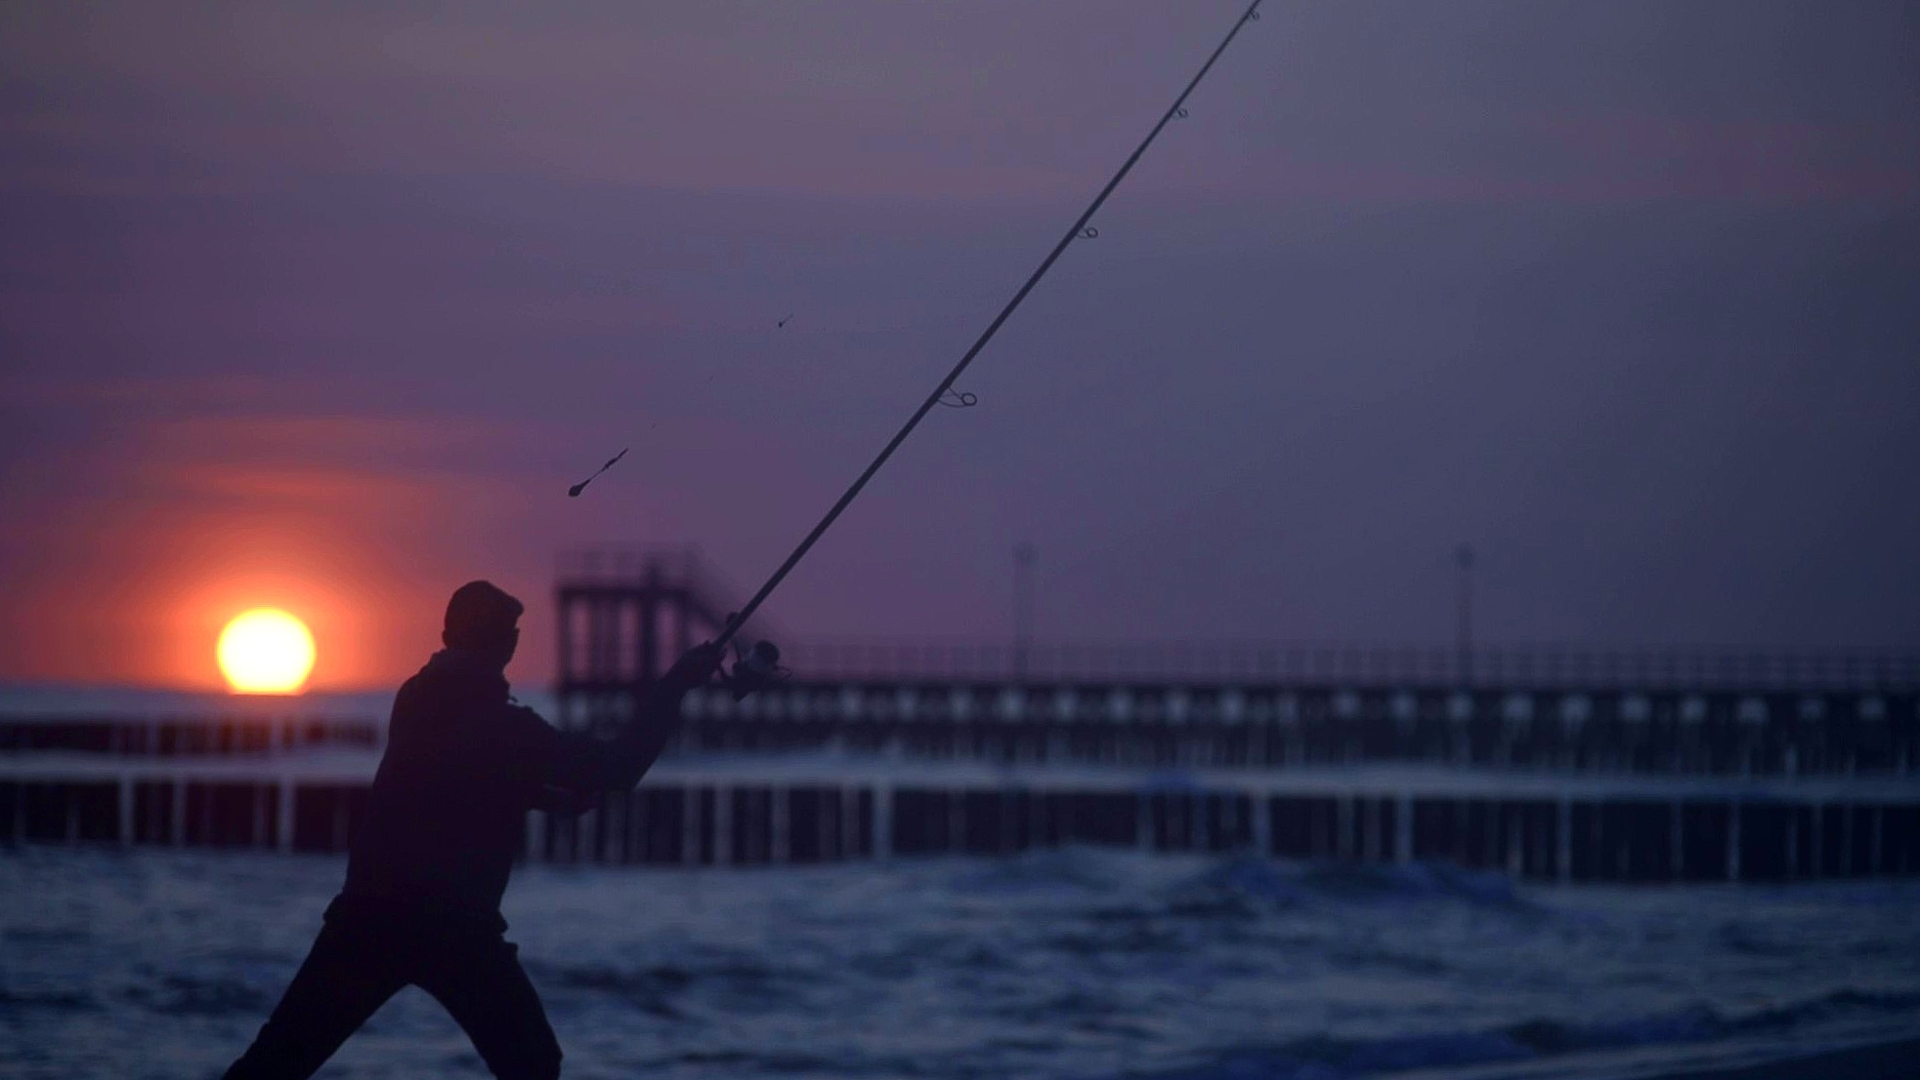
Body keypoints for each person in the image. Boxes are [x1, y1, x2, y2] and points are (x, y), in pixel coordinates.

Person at [223, 580, 723, 1080]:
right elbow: (617, 768)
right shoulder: (510, 730)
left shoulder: (414, 698)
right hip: (456, 928)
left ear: (446, 633)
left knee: (275, 1062)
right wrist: (675, 685)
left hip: (367, 919)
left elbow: (456, 773)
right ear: (509, 645)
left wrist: (544, 797)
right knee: (533, 1065)